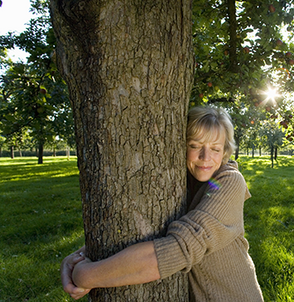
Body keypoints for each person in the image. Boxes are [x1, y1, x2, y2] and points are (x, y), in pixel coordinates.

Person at [61, 106, 264, 301]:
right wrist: (79, 256)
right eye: (195, 146)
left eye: (215, 149)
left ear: (225, 151)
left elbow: (179, 249)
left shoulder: (230, 181)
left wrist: (86, 276)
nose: (205, 158)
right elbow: (148, 232)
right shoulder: (179, 180)